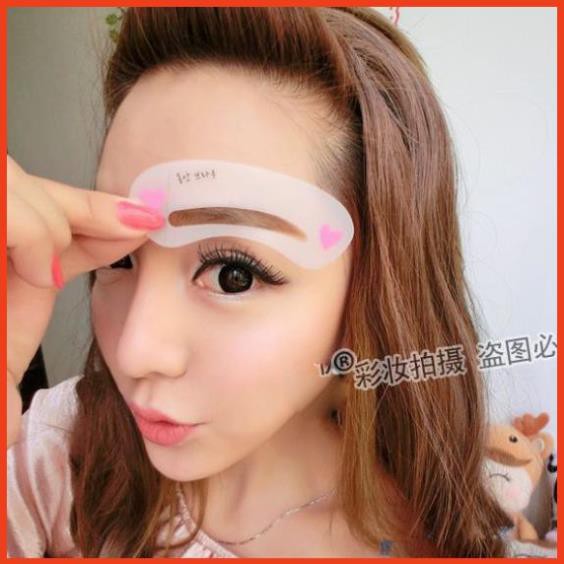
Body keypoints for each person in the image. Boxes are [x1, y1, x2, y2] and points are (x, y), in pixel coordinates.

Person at [7, 7, 512, 558]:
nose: (134, 351)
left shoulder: (427, 543)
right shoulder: (56, 452)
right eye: (119, 256)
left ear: (374, 289)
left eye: (233, 275)